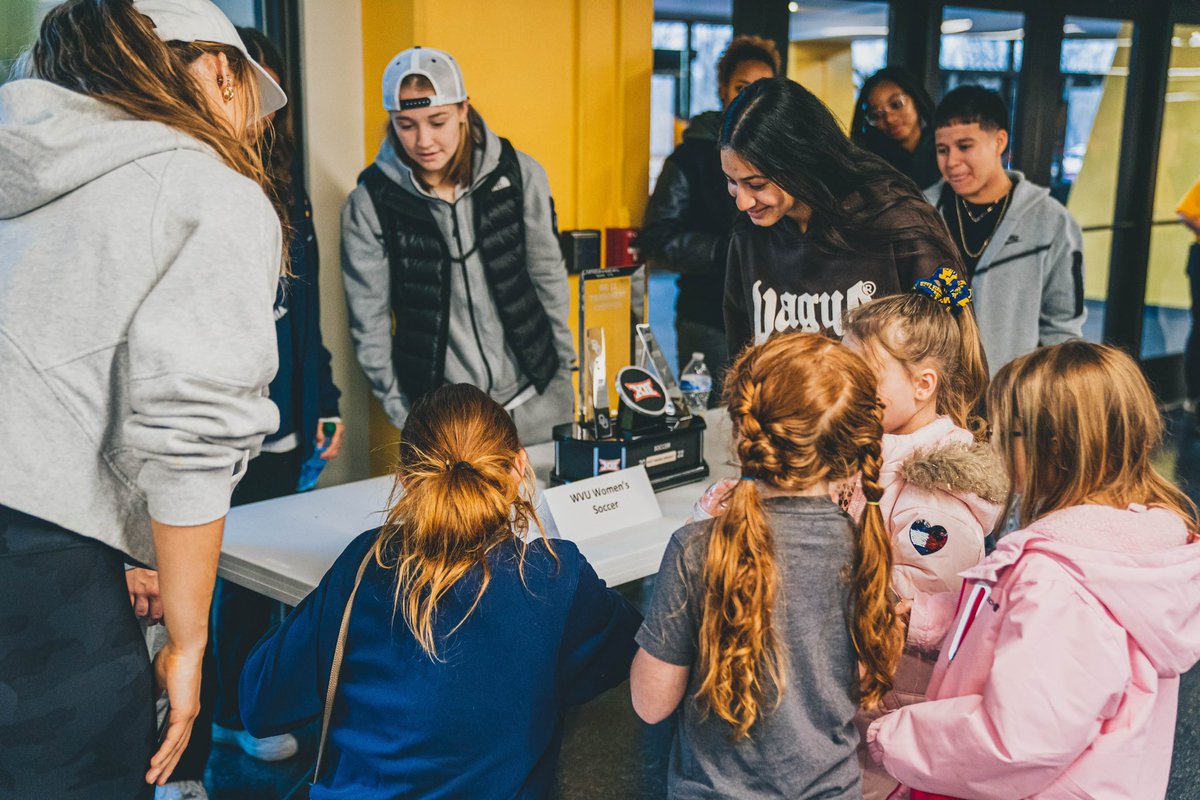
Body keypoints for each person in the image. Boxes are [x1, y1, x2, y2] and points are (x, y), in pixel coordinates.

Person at [0, 0, 286, 796]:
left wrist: (124, 540)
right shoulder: (207, 190)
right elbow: (190, 431)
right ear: (221, 73)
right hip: (41, 586)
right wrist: (189, 644)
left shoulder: (23, 167)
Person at [238, 383, 641, 798]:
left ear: (406, 480)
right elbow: (633, 650)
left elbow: (261, 706)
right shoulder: (554, 575)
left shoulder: (367, 563)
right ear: (519, 467)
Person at [869, 340, 1200, 799]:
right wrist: (921, 619)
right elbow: (1017, 628)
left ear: (1055, 446)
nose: (999, 446)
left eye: (1009, 433)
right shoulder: (1126, 548)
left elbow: (1017, 740)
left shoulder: (1060, 580)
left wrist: (890, 737)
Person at [630, 332, 903, 798]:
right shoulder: (866, 546)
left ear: (743, 429)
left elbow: (651, 703)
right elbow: (859, 679)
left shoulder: (697, 549)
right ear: (852, 444)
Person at [341, 46, 575, 444]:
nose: (424, 140)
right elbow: (370, 320)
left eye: (438, 121)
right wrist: (403, 410)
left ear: (464, 110)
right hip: (448, 417)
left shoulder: (521, 174)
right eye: (406, 124)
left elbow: (548, 276)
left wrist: (565, 373)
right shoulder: (370, 203)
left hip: (537, 399)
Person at [841, 269, 1005, 800]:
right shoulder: (876, 446)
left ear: (923, 384)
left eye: (865, 377)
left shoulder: (936, 492)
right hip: (859, 681)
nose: (848, 390)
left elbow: (929, 608)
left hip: (890, 697)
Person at [720, 77, 962, 356]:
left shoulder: (896, 220)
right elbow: (741, 358)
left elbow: (954, 349)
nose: (742, 201)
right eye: (732, 181)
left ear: (801, 161)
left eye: (757, 184)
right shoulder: (749, 235)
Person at [639, 35, 780, 401]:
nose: (751, 98)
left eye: (762, 89)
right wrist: (726, 252)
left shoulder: (783, 158)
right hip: (707, 316)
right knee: (715, 422)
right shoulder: (692, 156)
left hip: (772, 316)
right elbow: (657, 238)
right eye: (741, 87)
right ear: (722, 90)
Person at [927, 85, 1085, 375]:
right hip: (931, 391)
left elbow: (1062, 326)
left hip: (1010, 394)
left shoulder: (1051, 221)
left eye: (965, 147)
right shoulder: (921, 213)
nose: (951, 163)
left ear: (999, 141)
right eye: (942, 150)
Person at [851, 67, 940, 190]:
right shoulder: (873, 164)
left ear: (916, 99)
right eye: (876, 115)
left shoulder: (946, 148)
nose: (889, 119)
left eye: (896, 104)